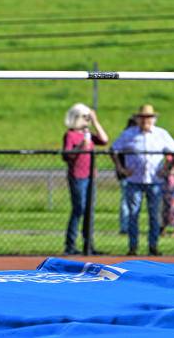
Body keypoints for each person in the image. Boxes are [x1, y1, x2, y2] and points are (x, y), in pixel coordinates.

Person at [111, 104, 174, 256]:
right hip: (134, 180)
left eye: (148, 117)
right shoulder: (129, 134)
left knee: (154, 215)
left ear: (154, 119)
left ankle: (153, 246)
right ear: (137, 119)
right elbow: (114, 150)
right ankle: (133, 247)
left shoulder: (161, 134)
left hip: (154, 181)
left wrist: (167, 168)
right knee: (133, 214)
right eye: (142, 118)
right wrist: (121, 169)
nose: (145, 121)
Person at [61, 103, 108, 255]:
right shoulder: (71, 135)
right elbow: (66, 155)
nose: (87, 120)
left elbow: (104, 140)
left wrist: (95, 121)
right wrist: (80, 146)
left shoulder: (88, 134)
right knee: (79, 209)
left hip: (90, 176)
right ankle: (71, 245)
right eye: (85, 117)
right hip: (78, 176)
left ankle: (89, 245)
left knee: (89, 211)